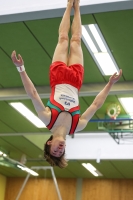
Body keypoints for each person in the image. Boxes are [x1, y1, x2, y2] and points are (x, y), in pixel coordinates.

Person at [11, 0, 122, 168]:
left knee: (63, 39)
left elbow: (32, 94)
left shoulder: (47, 118)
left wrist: (21, 68)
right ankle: (77, 7)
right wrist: (110, 84)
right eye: (61, 153)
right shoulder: (77, 126)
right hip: (75, 80)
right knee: (76, 40)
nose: (60, 150)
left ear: (49, 144)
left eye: (55, 151)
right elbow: (96, 105)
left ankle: (69, 5)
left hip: (58, 76)